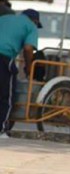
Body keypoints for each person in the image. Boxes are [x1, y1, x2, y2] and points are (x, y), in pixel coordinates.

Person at [0, 8, 41, 137]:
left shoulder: (4, 18)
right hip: (4, 57)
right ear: (35, 21)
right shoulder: (31, 26)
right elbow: (28, 49)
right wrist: (29, 67)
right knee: (6, 96)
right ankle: (2, 130)